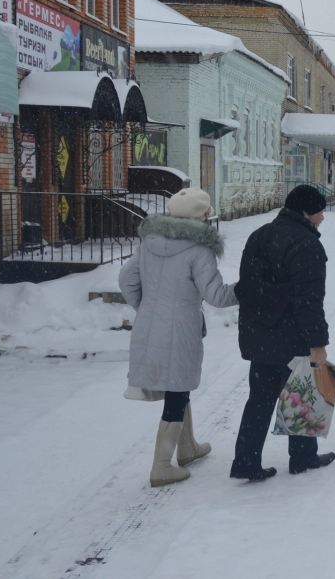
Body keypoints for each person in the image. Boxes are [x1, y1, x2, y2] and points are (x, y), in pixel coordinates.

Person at [119, 188, 237, 487]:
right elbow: (216, 296)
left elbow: (126, 278)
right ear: (203, 216)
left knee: (177, 385)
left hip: (150, 322)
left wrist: (147, 308)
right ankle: (161, 466)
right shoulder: (199, 248)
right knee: (177, 391)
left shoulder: (150, 241)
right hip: (181, 326)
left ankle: (187, 448)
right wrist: (248, 288)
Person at [230, 185, 335, 481]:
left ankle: (246, 461)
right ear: (306, 211)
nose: (323, 218)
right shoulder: (306, 244)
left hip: (259, 331)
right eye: (320, 211)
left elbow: (248, 287)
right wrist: (318, 342)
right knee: (301, 394)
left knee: (260, 399)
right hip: (292, 336)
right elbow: (309, 300)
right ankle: (303, 457)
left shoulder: (259, 235)